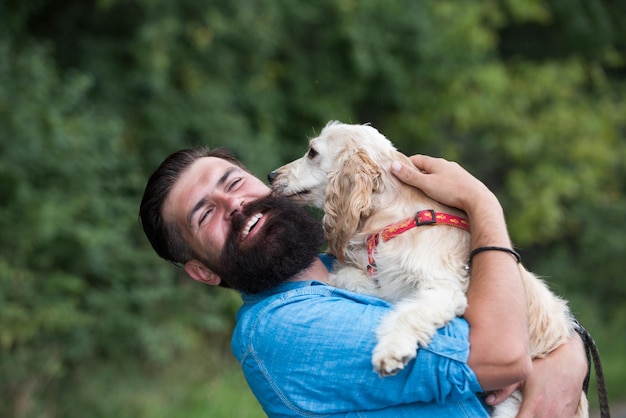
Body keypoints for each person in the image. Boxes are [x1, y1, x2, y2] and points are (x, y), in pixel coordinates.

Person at [139, 146, 588, 417]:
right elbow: (502, 354)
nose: (233, 204)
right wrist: (482, 205)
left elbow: (520, 316)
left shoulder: (360, 264)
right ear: (203, 271)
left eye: (233, 182)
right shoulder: (283, 330)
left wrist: (566, 355)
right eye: (205, 213)